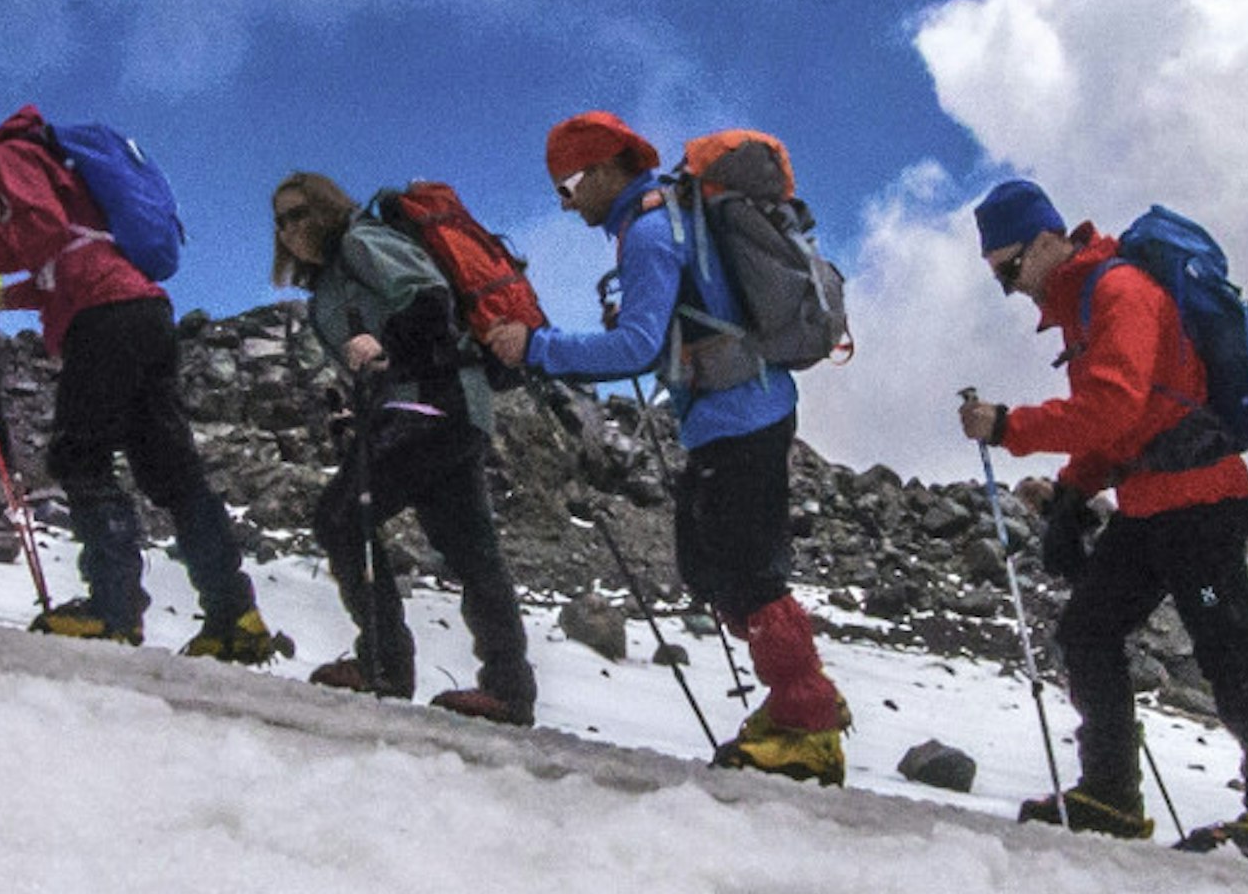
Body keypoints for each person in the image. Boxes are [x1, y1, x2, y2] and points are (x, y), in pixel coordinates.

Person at [483, 111, 848, 781]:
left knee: (746, 573)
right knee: (713, 566)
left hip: (738, 415)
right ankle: (800, 704)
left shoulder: (650, 232)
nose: (565, 203)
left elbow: (636, 348)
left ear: (602, 170)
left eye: (567, 185)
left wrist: (535, 346)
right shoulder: (666, 221)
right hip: (741, 411)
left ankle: (807, 720)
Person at [954, 180, 1248, 859]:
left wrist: (1009, 427)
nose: (1009, 287)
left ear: (1049, 240)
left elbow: (1113, 408)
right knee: (1088, 631)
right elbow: (1117, 429)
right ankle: (1110, 795)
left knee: (1228, 651)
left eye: (1009, 268)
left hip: (1200, 502)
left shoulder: (1119, 293)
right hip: (1151, 504)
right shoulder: (1084, 307)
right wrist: (1069, 492)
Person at [0, 90, 274, 659]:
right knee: (170, 470)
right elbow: (67, 258)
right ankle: (236, 614)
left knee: (79, 455)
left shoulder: (7, 155)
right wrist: (5, 296)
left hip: (105, 319)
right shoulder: (38, 161)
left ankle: (114, 610)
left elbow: (42, 229)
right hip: (140, 311)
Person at [272, 172, 536, 725]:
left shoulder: (360, 243)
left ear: (326, 208)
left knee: (342, 517)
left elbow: (429, 300)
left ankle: (386, 663)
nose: (289, 228)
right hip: (450, 408)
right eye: (280, 220)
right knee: (468, 547)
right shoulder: (330, 281)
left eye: (299, 213)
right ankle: (508, 688)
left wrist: (384, 348)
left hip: (434, 403)